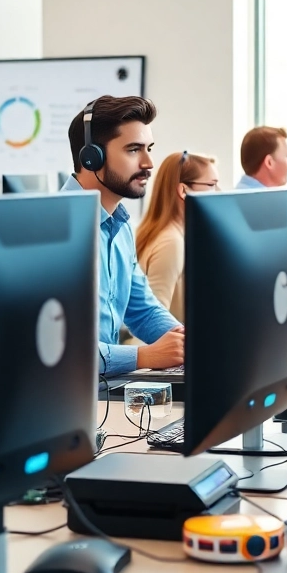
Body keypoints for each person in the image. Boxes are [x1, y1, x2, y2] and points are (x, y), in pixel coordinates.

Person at [64, 95, 184, 375]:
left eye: (149, 148)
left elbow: (142, 310)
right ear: (91, 157)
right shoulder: (56, 233)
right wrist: (145, 356)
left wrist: (184, 341)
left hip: (102, 396)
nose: (149, 162)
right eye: (133, 150)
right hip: (64, 401)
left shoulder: (119, 226)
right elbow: (63, 351)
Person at [134, 151, 220, 322]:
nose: (219, 191)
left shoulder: (175, 233)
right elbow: (152, 321)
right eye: (212, 185)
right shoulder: (171, 242)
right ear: (184, 190)